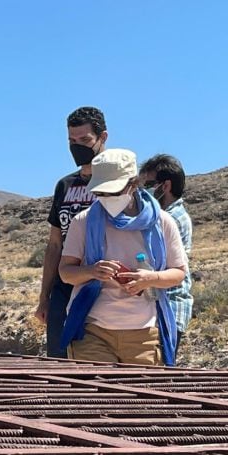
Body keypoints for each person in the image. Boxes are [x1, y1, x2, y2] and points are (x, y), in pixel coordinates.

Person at [59, 149, 187, 366]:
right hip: (93, 330)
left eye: (113, 192)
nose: (106, 199)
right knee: (97, 396)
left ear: (133, 184)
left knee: (141, 399)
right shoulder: (83, 221)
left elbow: (178, 273)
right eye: (101, 193)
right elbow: (66, 273)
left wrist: (149, 279)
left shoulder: (163, 222)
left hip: (144, 334)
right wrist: (91, 271)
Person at [34, 106, 108, 357]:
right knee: (59, 356)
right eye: (71, 141)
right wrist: (45, 296)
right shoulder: (65, 185)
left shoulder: (117, 185)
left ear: (103, 138)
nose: (77, 146)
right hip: (65, 283)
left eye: (84, 140)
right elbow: (54, 244)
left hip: (103, 285)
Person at [140, 154, 194, 355]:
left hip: (168, 306)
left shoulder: (169, 219)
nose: (144, 192)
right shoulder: (173, 215)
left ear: (165, 186)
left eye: (148, 185)